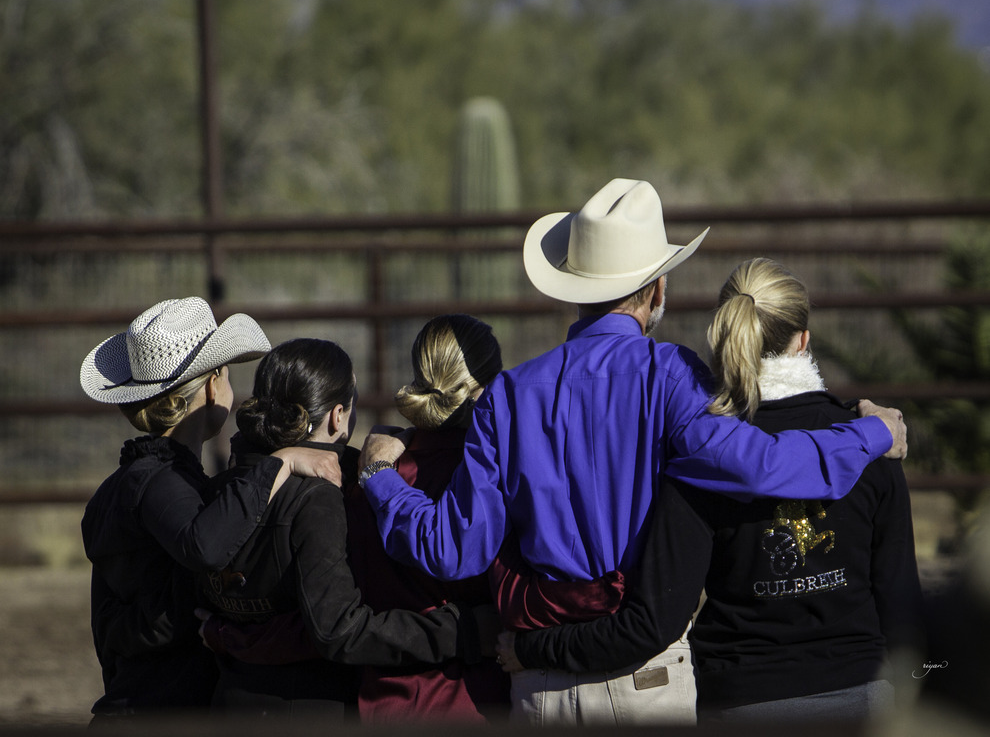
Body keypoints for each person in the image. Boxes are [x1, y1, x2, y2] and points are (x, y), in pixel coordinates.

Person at [357, 179, 908, 725]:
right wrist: (873, 433)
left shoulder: (508, 396)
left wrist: (380, 476)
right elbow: (765, 466)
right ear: (657, 290)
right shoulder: (669, 377)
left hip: (540, 681)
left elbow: (455, 548)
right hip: (645, 674)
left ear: (573, 288)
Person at [500, 257, 926, 724]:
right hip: (864, 699)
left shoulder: (699, 456)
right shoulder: (873, 444)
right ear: (803, 340)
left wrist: (530, 647)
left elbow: (654, 621)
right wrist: (925, 693)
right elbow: (903, 607)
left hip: (740, 700)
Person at [196, 337, 492, 718]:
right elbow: (336, 629)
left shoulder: (219, 491)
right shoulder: (324, 499)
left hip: (228, 701)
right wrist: (463, 631)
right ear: (337, 416)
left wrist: (228, 636)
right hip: (311, 708)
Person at [79, 297, 339, 718]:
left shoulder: (132, 483)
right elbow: (205, 547)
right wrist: (280, 463)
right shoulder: (156, 482)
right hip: (161, 712)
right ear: (214, 382)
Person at [344, 314, 511, 723]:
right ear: (488, 387)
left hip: (383, 700)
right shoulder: (498, 479)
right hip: (477, 702)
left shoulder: (370, 474)